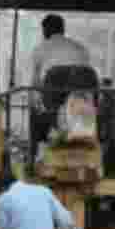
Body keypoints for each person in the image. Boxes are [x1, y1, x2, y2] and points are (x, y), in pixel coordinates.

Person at [30, 14, 93, 156]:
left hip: (53, 101)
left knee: (34, 111)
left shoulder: (40, 49)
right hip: (82, 104)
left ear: (45, 31)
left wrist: (35, 103)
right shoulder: (81, 49)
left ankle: (33, 155)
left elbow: (35, 84)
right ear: (63, 29)